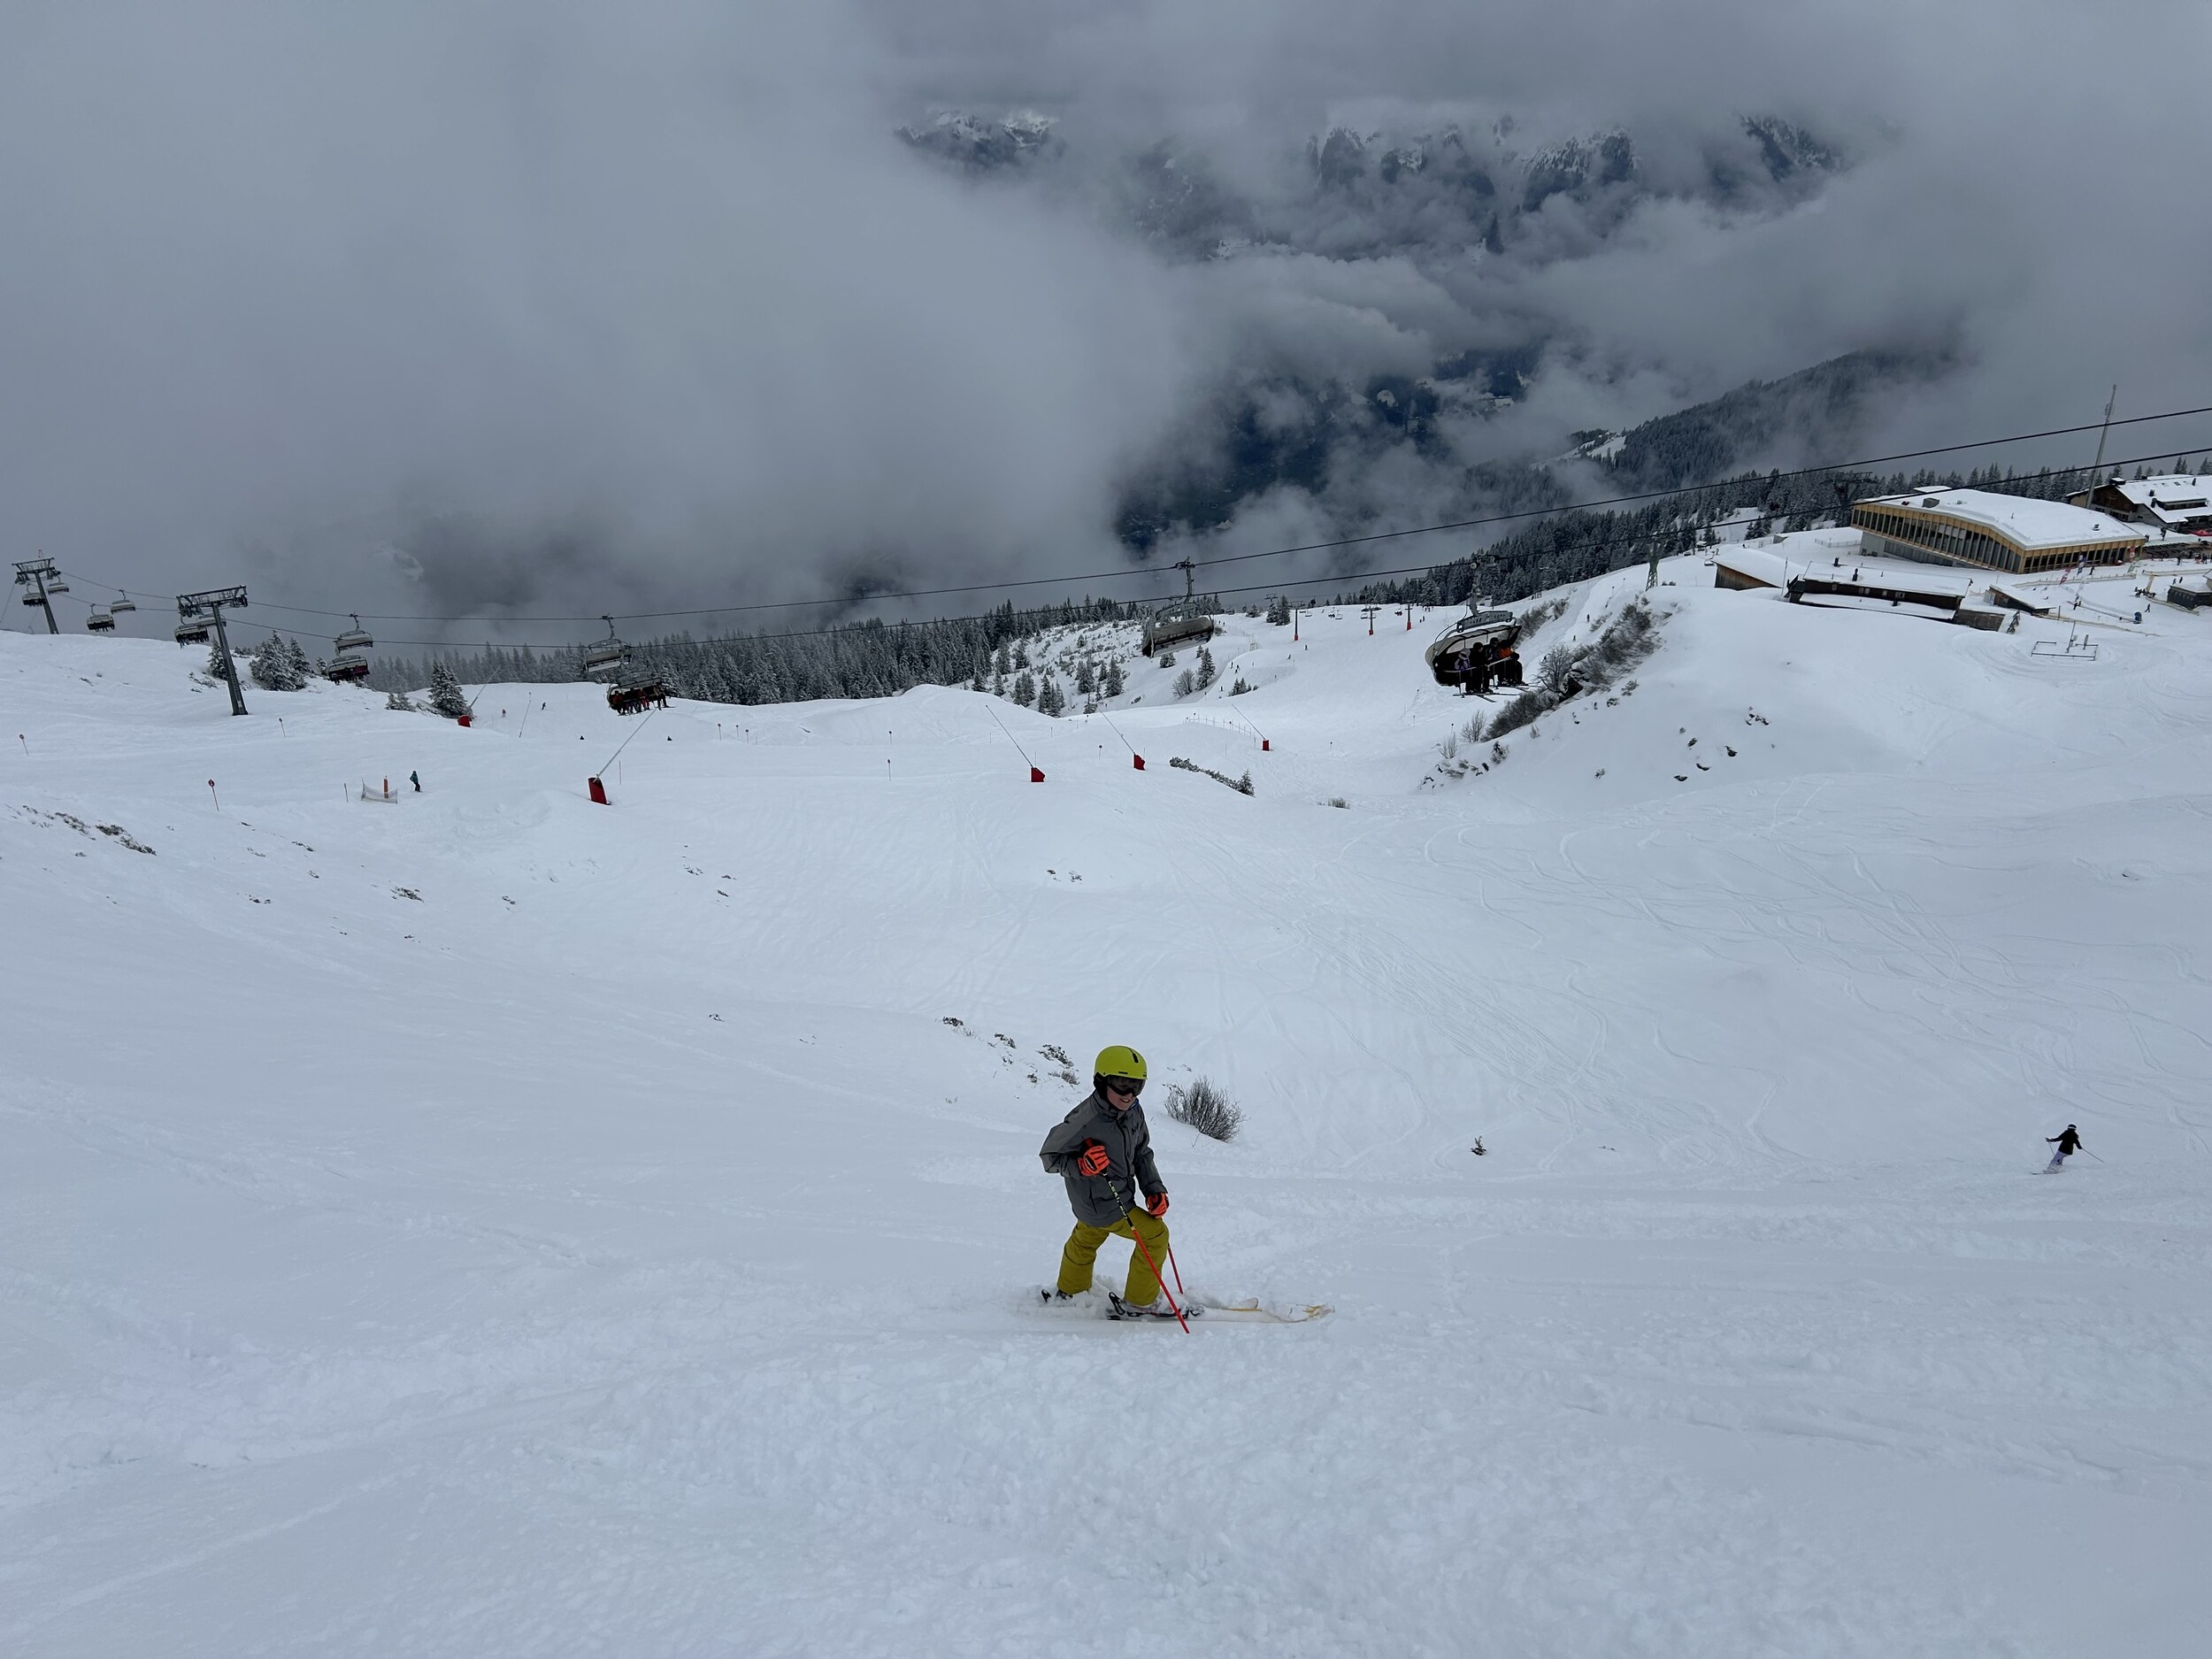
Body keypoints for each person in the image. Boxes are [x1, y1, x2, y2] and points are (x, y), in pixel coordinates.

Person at [1040, 1045, 1172, 1312]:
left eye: (1136, 1086)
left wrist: (1153, 1189)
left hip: (1099, 1202)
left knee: (1085, 1240)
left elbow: (1141, 1152)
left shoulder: (1133, 1111)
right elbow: (1050, 1157)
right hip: (1105, 1204)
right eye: (1121, 1085)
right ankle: (1141, 1302)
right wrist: (1082, 1165)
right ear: (1102, 1081)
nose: (1129, 1094)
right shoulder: (1085, 1120)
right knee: (1156, 1236)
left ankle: (1071, 1291)